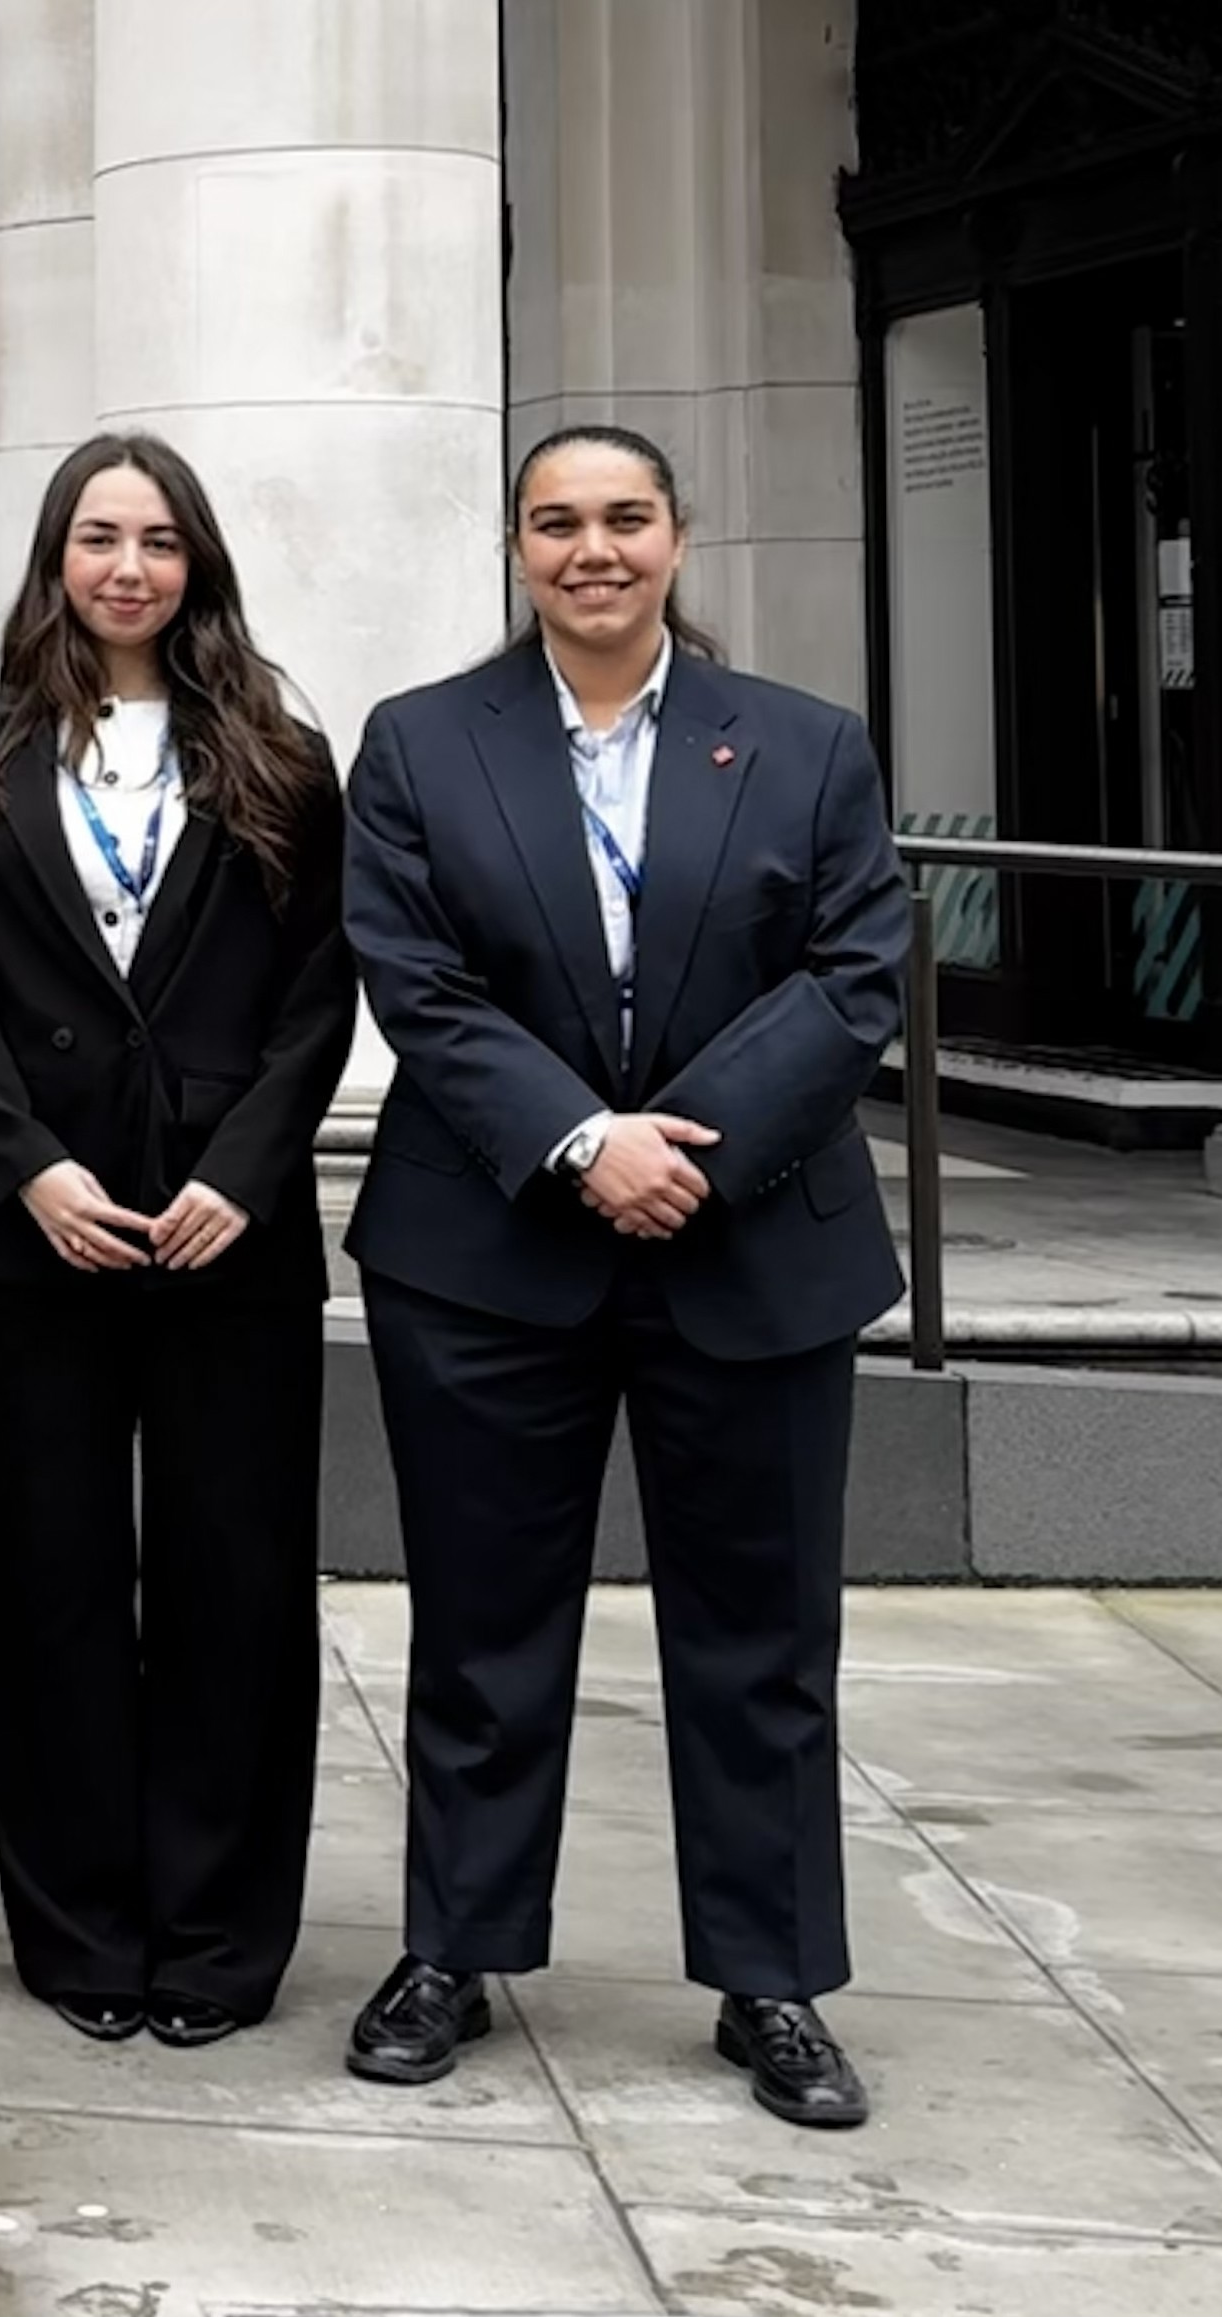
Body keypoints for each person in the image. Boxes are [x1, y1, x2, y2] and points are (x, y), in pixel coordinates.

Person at [337, 424, 911, 2131]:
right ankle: (457, 1945)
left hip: (750, 1246)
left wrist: (685, 1142)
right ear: (515, 546)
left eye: (625, 519)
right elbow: (414, 978)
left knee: (760, 1635)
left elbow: (856, 968)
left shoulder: (807, 745)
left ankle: (773, 1978)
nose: (593, 549)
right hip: (494, 1251)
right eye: (556, 522)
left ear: (676, 536)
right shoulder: (423, 742)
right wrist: (587, 1142)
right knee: (483, 1624)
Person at [0, 435, 355, 2048]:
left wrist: (252, 1165)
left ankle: (221, 1936)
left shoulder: (282, 753)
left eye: (160, 539)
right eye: (98, 536)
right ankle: (83, 1926)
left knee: (235, 1578)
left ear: (199, 564)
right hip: (42, 1231)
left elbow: (323, 987)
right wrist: (21, 1164)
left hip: (231, 1227)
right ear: (53, 558)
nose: (127, 567)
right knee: (53, 1577)